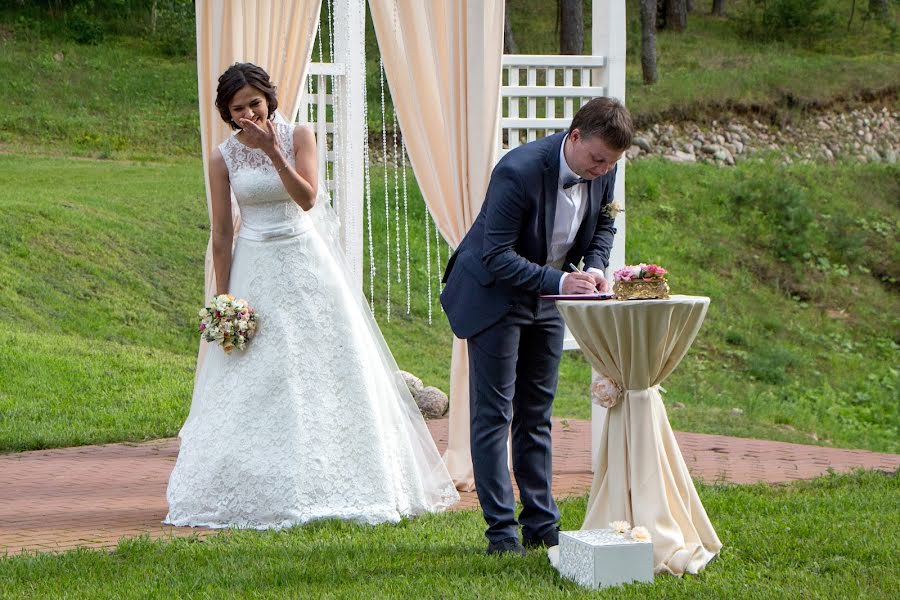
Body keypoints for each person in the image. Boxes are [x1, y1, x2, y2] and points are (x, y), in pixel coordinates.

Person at [165, 63, 458, 529]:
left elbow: (306, 199)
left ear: (269, 100)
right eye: (238, 109)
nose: (249, 115)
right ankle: (251, 483)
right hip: (254, 265)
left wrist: (272, 152)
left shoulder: (299, 134)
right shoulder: (222, 157)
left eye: (255, 105)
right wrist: (224, 300)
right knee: (255, 376)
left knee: (324, 365)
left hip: (304, 259)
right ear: (227, 112)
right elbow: (222, 232)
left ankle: (346, 476)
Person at [440, 97, 633, 555]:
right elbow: (496, 255)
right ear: (575, 137)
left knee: (536, 414)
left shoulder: (603, 173)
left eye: (611, 164)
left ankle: (542, 525)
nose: (603, 171)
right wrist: (563, 279)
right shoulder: (518, 170)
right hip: (494, 293)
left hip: (550, 295)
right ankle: (502, 534)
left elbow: (603, 227)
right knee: (494, 415)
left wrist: (597, 265)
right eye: (597, 159)